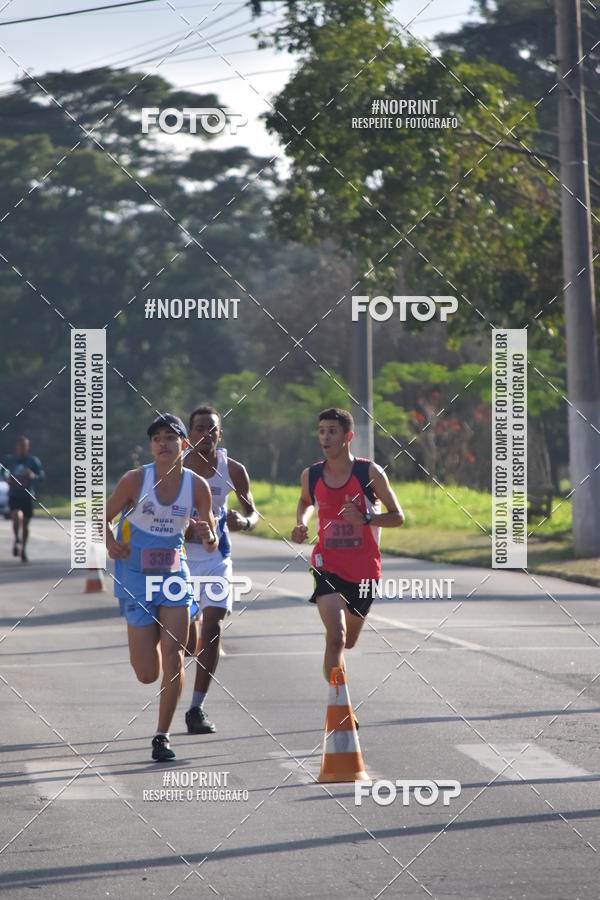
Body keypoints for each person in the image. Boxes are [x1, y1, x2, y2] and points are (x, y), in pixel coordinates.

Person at [105, 413, 218, 762]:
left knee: (174, 655)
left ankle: (162, 735)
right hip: (135, 578)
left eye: (171, 437)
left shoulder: (196, 485)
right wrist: (111, 543)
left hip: (173, 576)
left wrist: (207, 535)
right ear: (151, 446)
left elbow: (211, 538)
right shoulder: (135, 480)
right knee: (147, 673)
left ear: (183, 444)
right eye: (157, 438)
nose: (163, 443)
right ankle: (149, 634)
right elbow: (103, 518)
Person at [291, 408, 404, 687]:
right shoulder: (313, 474)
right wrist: (301, 523)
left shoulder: (369, 472)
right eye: (321, 431)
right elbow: (306, 501)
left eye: (332, 431)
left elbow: (397, 516)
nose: (325, 437)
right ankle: (339, 704)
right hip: (327, 564)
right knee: (337, 636)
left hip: (365, 571)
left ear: (348, 437)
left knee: (348, 642)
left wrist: (366, 518)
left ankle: (335, 677)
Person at [183, 405, 258, 735]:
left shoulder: (233, 469)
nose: (205, 434)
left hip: (216, 557)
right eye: (199, 428)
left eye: (211, 429)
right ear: (189, 434)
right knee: (187, 641)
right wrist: (182, 529)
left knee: (213, 623)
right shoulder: (176, 467)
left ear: (219, 434)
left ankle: (196, 707)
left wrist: (244, 521)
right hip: (180, 559)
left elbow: (253, 513)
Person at [2, 436, 45, 563]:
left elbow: (41, 475)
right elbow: (3, 472)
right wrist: (6, 479)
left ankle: (23, 549)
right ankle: (16, 538)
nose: (22, 449)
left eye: (25, 446)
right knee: (16, 516)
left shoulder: (33, 461)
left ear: (28, 447)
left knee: (25, 524)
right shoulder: (10, 460)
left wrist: (34, 476)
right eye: (20, 446)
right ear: (16, 446)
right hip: (14, 495)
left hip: (27, 495)